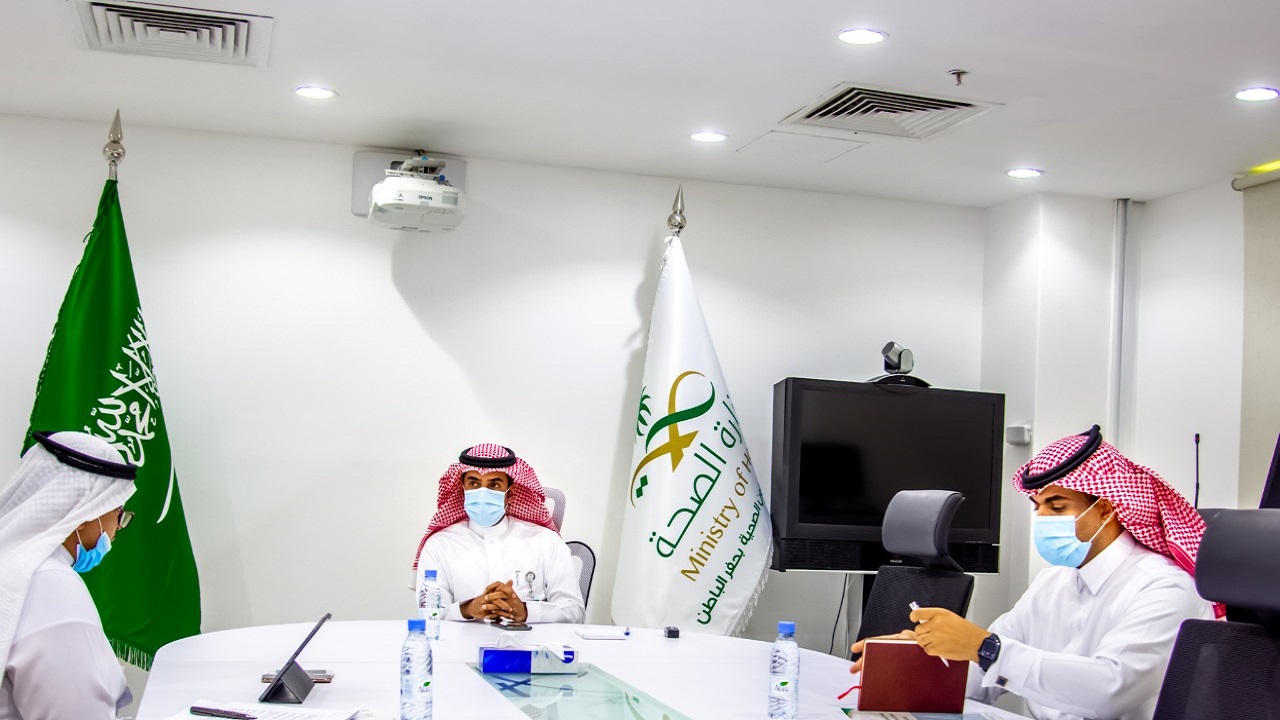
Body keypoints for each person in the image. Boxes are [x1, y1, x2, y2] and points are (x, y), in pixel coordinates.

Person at [850, 425, 1216, 720]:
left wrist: (984, 647)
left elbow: (1110, 690)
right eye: (1038, 506)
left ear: (1105, 510)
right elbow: (983, 673)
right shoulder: (1051, 582)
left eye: (1056, 507)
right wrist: (921, 660)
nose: (1041, 518)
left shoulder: (1164, 587)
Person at [0, 431, 139, 719]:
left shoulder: (11, 565)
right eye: (117, 513)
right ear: (86, 512)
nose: (117, 529)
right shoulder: (49, 584)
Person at [413, 443, 584, 624]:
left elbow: (575, 612)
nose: (482, 493)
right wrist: (468, 609)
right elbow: (429, 616)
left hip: (531, 642)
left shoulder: (546, 541)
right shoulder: (439, 545)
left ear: (510, 493)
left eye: (494, 485)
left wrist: (526, 612)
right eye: (474, 484)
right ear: (463, 490)